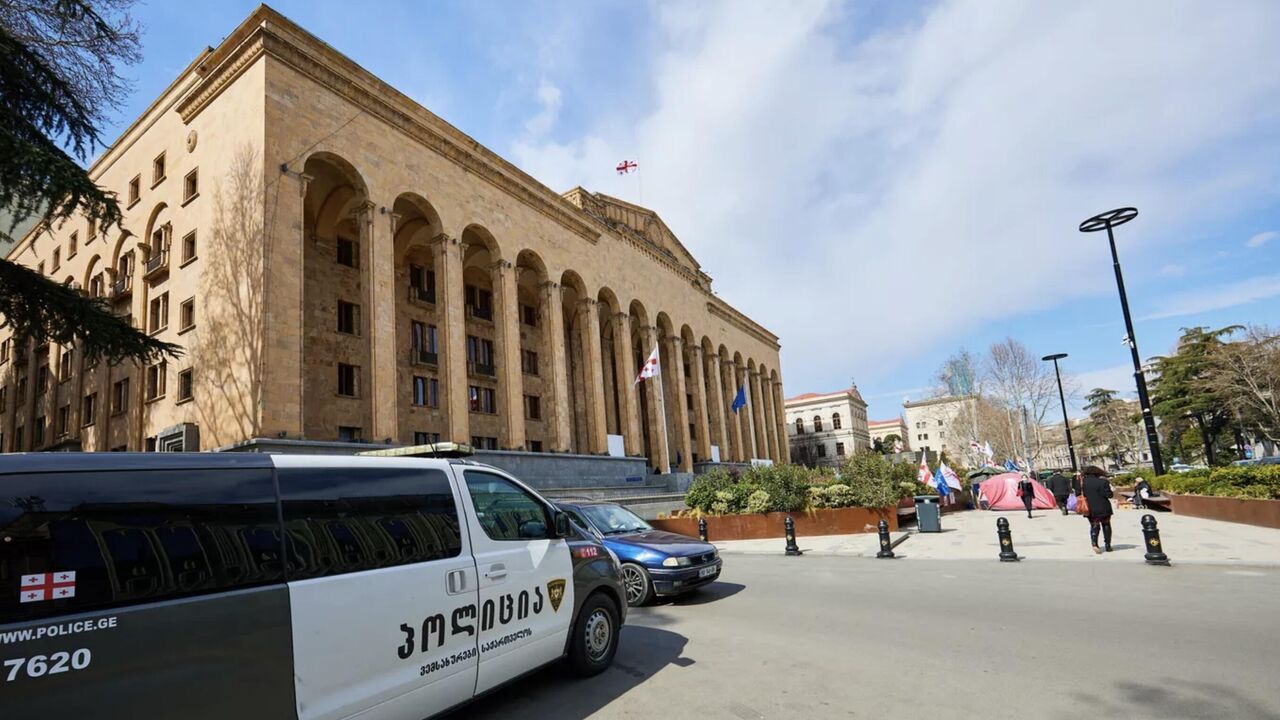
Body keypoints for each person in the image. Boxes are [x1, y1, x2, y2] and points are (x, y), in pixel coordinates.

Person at [1076, 466, 1115, 554]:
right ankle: (1108, 545)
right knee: (1106, 525)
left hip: (1089, 507)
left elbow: (1077, 493)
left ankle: (1095, 544)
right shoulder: (1103, 481)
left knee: (1094, 525)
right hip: (1104, 506)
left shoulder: (1081, 482)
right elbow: (1109, 495)